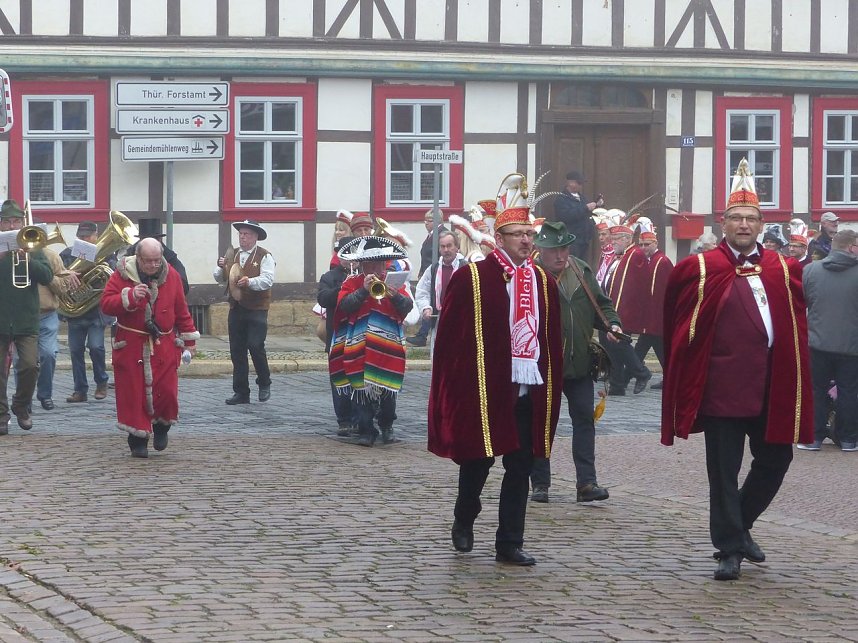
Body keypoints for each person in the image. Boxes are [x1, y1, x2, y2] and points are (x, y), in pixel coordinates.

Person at [661, 158, 812, 581]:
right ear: (723, 223)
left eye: (751, 218)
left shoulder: (784, 270)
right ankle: (729, 547)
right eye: (736, 218)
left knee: (776, 458)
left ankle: (739, 524)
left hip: (771, 384)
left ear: (761, 224)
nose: (744, 225)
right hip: (721, 386)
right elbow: (676, 320)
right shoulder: (700, 268)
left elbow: (796, 326)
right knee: (723, 471)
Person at [428, 183, 562, 567]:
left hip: (527, 389)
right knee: (478, 462)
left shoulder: (543, 282)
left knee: (520, 467)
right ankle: (464, 516)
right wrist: (456, 391)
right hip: (485, 389)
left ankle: (510, 542)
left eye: (529, 234)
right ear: (499, 237)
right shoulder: (473, 278)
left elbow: (552, 340)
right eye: (517, 234)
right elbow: (453, 343)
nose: (525, 240)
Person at [529, 221, 621, 504]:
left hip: (580, 362)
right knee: (542, 423)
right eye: (554, 250)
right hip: (543, 365)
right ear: (540, 250)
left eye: (564, 248)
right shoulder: (529, 276)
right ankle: (540, 484)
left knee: (584, 420)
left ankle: (587, 483)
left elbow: (601, 304)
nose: (560, 255)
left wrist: (613, 324)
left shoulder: (581, 269)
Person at [101, 238, 199, 458]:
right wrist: (129, 297)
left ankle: (162, 427)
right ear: (138, 257)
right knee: (133, 394)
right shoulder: (122, 274)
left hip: (163, 344)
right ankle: (138, 439)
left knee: (167, 392)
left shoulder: (171, 274)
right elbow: (106, 305)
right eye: (149, 261)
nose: (154, 265)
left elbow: (181, 309)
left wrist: (189, 339)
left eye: (157, 260)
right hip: (131, 344)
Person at [329, 236, 414, 446]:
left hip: (388, 345)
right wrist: (363, 291)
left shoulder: (394, 282)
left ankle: (387, 426)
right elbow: (344, 307)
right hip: (358, 344)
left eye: (379, 264)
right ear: (363, 264)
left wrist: (395, 296)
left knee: (387, 389)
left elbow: (407, 307)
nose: (375, 268)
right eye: (370, 264)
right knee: (361, 390)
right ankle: (366, 431)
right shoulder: (352, 282)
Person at [799, 229, 858, 452]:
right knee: (849, 391)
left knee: (816, 390)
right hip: (852, 345)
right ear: (851, 247)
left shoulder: (811, 270)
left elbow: (803, 303)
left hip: (817, 342)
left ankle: (813, 438)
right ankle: (849, 439)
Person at [0, 200, 54, 435]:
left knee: (31, 365)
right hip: (1, 317)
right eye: (7, 221)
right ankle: (1, 415)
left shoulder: (34, 245)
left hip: (26, 318)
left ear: (23, 223)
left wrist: (29, 259)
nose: (12, 225)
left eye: (16, 221)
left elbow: (47, 276)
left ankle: (21, 406)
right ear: (1, 224)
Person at [214, 220, 276, 405]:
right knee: (237, 351)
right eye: (241, 233)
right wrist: (220, 267)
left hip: (257, 308)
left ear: (256, 237)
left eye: (247, 234)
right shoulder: (234, 255)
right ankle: (241, 392)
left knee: (256, 346)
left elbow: (268, 280)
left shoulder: (265, 256)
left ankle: (264, 381)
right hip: (236, 308)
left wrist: (250, 282)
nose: (243, 237)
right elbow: (220, 279)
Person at [60, 221, 114, 404]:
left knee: (96, 347)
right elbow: (58, 275)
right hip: (76, 312)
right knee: (75, 351)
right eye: (80, 237)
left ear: (96, 236)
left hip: (96, 312)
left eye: (87, 236)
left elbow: (112, 276)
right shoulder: (67, 254)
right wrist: (68, 273)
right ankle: (80, 390)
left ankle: (101, 382)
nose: (83, 239)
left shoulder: (106, 255)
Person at [601, 214, 652, 396]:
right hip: (611, 310)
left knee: (618, 343)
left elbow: (630, 288)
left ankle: (641, 372)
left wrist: (616, 313)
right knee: (610, 345)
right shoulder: (620, 256)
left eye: (615, 239)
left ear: (626, 239)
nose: (612, 242)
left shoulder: (634, 255)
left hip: (623, 310)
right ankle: (617, 384)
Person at [317, 236, 357, 436]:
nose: (349, 259)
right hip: (337, 334)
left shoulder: (365, 274)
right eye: (346, 254)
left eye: (353, 254)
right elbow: (323, 299)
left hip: (359, 334)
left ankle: (362, 416)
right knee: (339, 377)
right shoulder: (329, 277)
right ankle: (344, 419)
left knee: (359, 376)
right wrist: (343, 287)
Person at [34, 244, 79, 410]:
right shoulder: (8, 253)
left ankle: (45, 395)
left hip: (47, 315)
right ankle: (22, 401)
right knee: (23, 363)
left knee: (49, 354)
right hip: (22, 317)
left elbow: (64, 287)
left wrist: (46, 275)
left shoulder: (50, 255)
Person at [413, 230, 467, 355]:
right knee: (439, 357)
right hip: (438, 321)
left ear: (457, 247)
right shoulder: (433, 269)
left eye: (449, 246)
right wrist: (426, 308)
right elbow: (422, 291)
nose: (446, 250)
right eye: (443, 246)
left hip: (461, 323)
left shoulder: (466, 267)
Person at [634, 229, 673, 390]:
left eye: (647, 244)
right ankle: (668, 378)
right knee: (655, 347)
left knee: (645, 346)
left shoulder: (662, 261)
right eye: (641, 245)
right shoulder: (649, 260)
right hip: (649, 315)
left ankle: (627, 376)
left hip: (657, 315)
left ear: (655, 243)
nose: (643, 248)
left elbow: (661, 292)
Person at [126, 219, 190, 295]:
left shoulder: (171, 260)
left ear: (159, 240)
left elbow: (183, 288)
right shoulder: (129, 257)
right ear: (140, 241)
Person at [553, 170, 603, 261]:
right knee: (573, 263)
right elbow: (565, 216)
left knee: (583, 265)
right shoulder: (561, 198)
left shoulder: (582, 197)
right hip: (571, 239)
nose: (581, 185)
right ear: (570, 183)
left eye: (582, 183)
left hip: (584, 238)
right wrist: (585, 208)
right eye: (579, 183)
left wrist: (597, 204)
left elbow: (587, 212)